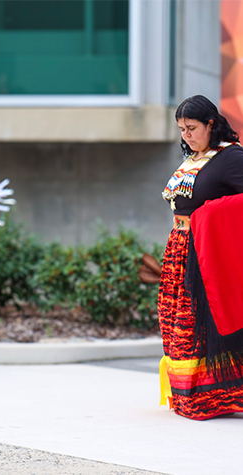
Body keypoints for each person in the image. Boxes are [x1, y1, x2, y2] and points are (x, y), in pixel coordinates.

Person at [158, 94, 243, 420]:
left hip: (207, 252)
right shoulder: (196, 157)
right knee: (175, 320)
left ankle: (212, 397)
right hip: (179, 247)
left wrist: (210, 214)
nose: (186, 135)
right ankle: (188, 394)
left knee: (198, 323)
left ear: (211, 124)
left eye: (192, 128)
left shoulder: (231, 157)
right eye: (181, 129)